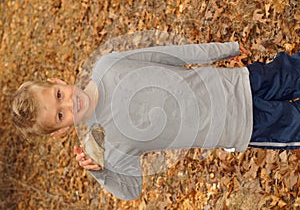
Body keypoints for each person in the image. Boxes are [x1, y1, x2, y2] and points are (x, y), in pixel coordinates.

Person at [11, 42, 300, 200]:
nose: (68, 104)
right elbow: (131, 191)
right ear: (61, 131)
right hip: (241, 125)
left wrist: (225, 49)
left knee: (292, 69)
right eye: (61, 115)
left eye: (59, 94)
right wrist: (101, 173)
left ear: (58, 82)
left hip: (237, 81)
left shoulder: (108, 65)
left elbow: (172, 55)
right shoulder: (111, 142)